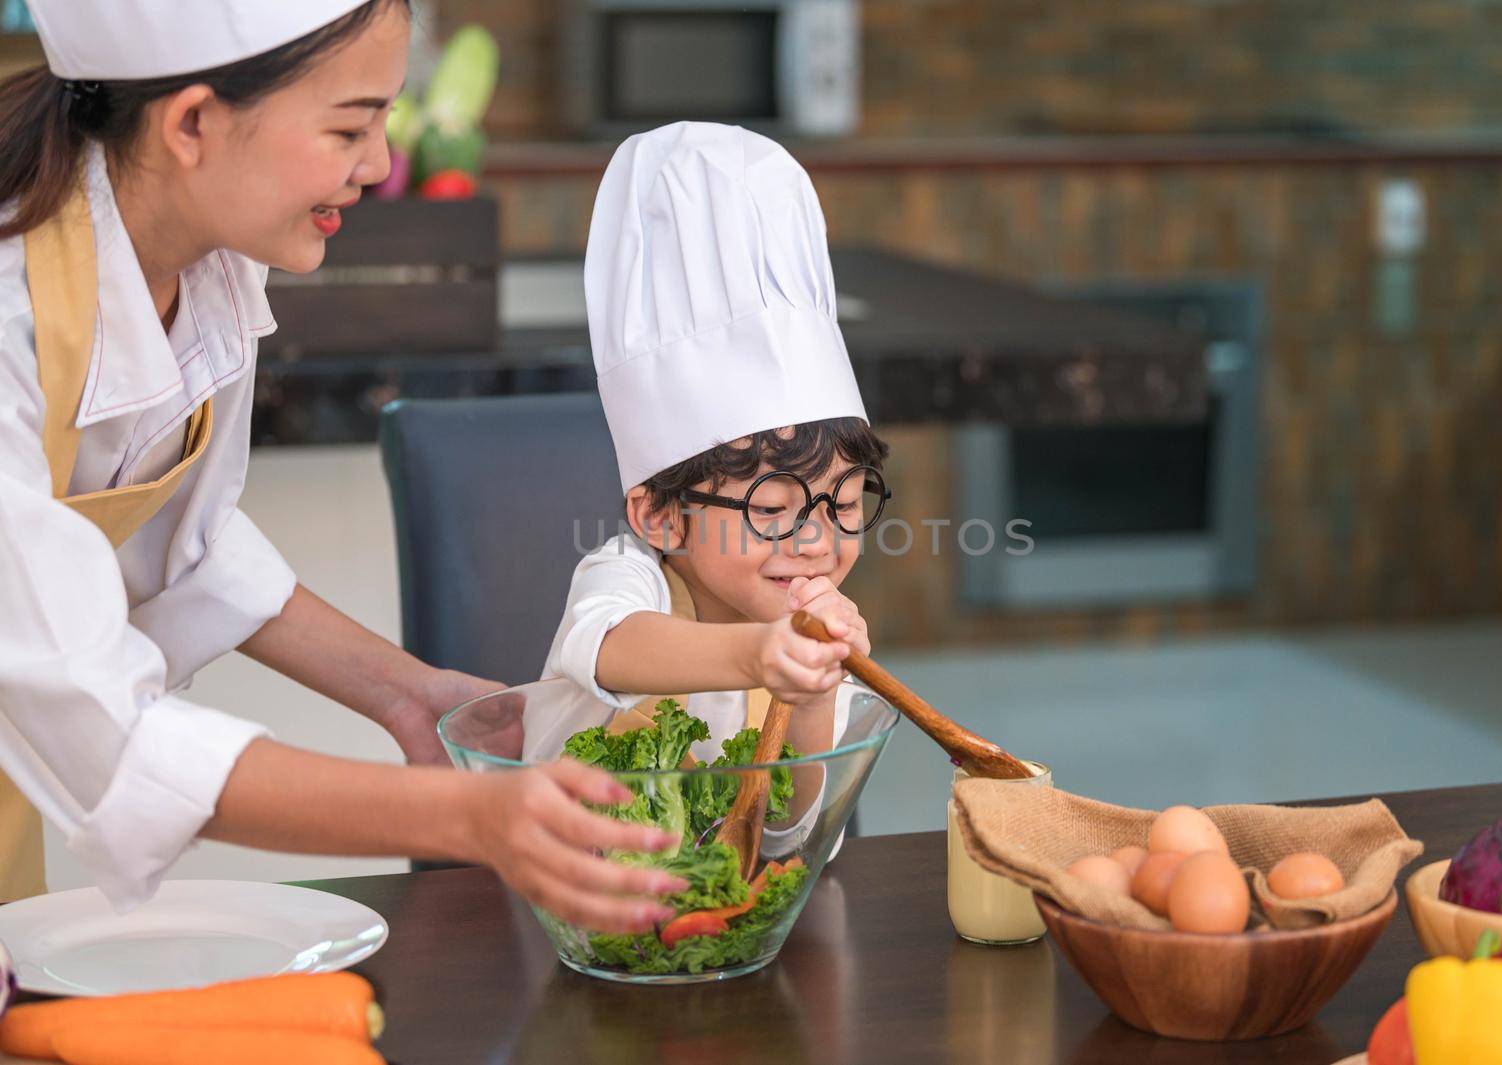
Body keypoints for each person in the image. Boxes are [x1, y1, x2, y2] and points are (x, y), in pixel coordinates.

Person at [0, 0, 683, 933]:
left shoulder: (198, 268)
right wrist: (475, 816)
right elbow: (107, 732)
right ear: (193, 123)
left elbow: (175, 544)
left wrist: (409, 692)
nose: (379, 165)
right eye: (350, 127)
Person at [536, 123, 892, 837]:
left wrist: (815, 694)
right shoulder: (625, 579)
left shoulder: (812, 629)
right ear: (660, 515)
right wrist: (760, 655)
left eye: (846, 502)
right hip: (570, 899)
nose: (819, 538)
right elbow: (611, 647)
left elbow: (787, 832)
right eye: (773, 509)